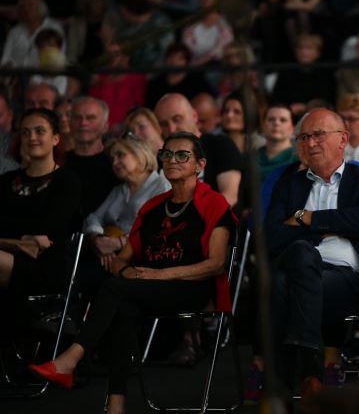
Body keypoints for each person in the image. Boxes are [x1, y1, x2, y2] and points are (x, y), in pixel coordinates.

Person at [28, 132, 237, 414]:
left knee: (114, 289)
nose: (172, 160)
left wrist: (159, 275)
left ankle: (70, 359)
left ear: (200, 165)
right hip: (148, 287)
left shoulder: (213, 203)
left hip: (193, 288)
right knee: (123, 304)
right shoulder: (152, 208)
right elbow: (120, 262)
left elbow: (216, 264)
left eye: (182, 155)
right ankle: (115, 404)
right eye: (167, 154)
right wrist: (131, 273)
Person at [263, 108, 359, 395]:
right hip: (300, 268)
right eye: (304, 137)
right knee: (301, 255)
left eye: (318, 135)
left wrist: (306, 218)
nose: (310, 143)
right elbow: (271, 238)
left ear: (343, 139)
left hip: (347, 281)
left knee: (282, 283)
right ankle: (312, 376)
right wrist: (337, 226)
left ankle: (288, 380)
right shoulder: (288, 184)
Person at [0, 109, 81, 325]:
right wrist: (19, 242)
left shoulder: (67, 182)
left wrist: (14, 238)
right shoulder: (5, 181)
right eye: (25, 132)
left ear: (56, 139)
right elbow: (29, 237)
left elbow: (45, 238)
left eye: (39, 131)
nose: (32, 137)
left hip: (44, 266)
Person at [80, 134, 170, 293]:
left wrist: (118, 243)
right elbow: (93, 218)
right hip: (108, 257)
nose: (114, 163)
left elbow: (158, 231)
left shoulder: (162, 186)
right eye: (112, 158)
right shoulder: (119, 190)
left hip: (140, 262)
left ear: (140, 154)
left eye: (120, 155)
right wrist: (98, 239)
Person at [154, 93, 242, 207]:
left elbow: (229, 197)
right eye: (164, 124)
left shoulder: (219, 144)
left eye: (177, 119)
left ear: (194, 116)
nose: (171, 129)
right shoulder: (161, 158)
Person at [65, 96, 120, 219]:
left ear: (105, 126)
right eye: (77, 117)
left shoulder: (117, 164)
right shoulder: (58, 162)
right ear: (69, 124)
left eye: (91, 118)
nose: (83, 123)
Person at [271, 33, 336, 117]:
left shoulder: (326, 75)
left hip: (319, 116)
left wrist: (307, 107)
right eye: (300, 48)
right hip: (290, 116)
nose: (304, 52)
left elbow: (329, 101)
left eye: (309, 48)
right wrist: (288, 108)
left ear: (318, 52)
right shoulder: (286, 73)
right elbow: (277, 99)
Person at [89, 42, 146, 135]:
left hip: (128, 131)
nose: (110, 59)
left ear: (126, 58)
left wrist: (123, 125)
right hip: (101, 131)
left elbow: (139, 108)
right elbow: (93, 108)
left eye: (115, 54)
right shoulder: (99, 79)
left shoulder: (136, 78)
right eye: (108, 55)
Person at [145, 42, 216, 108]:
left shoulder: (197, 80)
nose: (174, 61)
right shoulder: (155, 84)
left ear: (186, 62)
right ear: (166, 59)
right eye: (171, 57)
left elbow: (210, 100)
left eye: (180, 58)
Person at [182, 0, 234, 66]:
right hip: (192, 64)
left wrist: (200, 62)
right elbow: (186, 44)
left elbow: (221, 49)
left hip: (215, 65)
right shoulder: (191, 22)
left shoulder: (225, 24)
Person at [257, 104, 297, 183]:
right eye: (271, 119)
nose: (276, 123)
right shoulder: (250, 157)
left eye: (283, 120)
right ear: (263, 125)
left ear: (293, 127)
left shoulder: (299, 159)